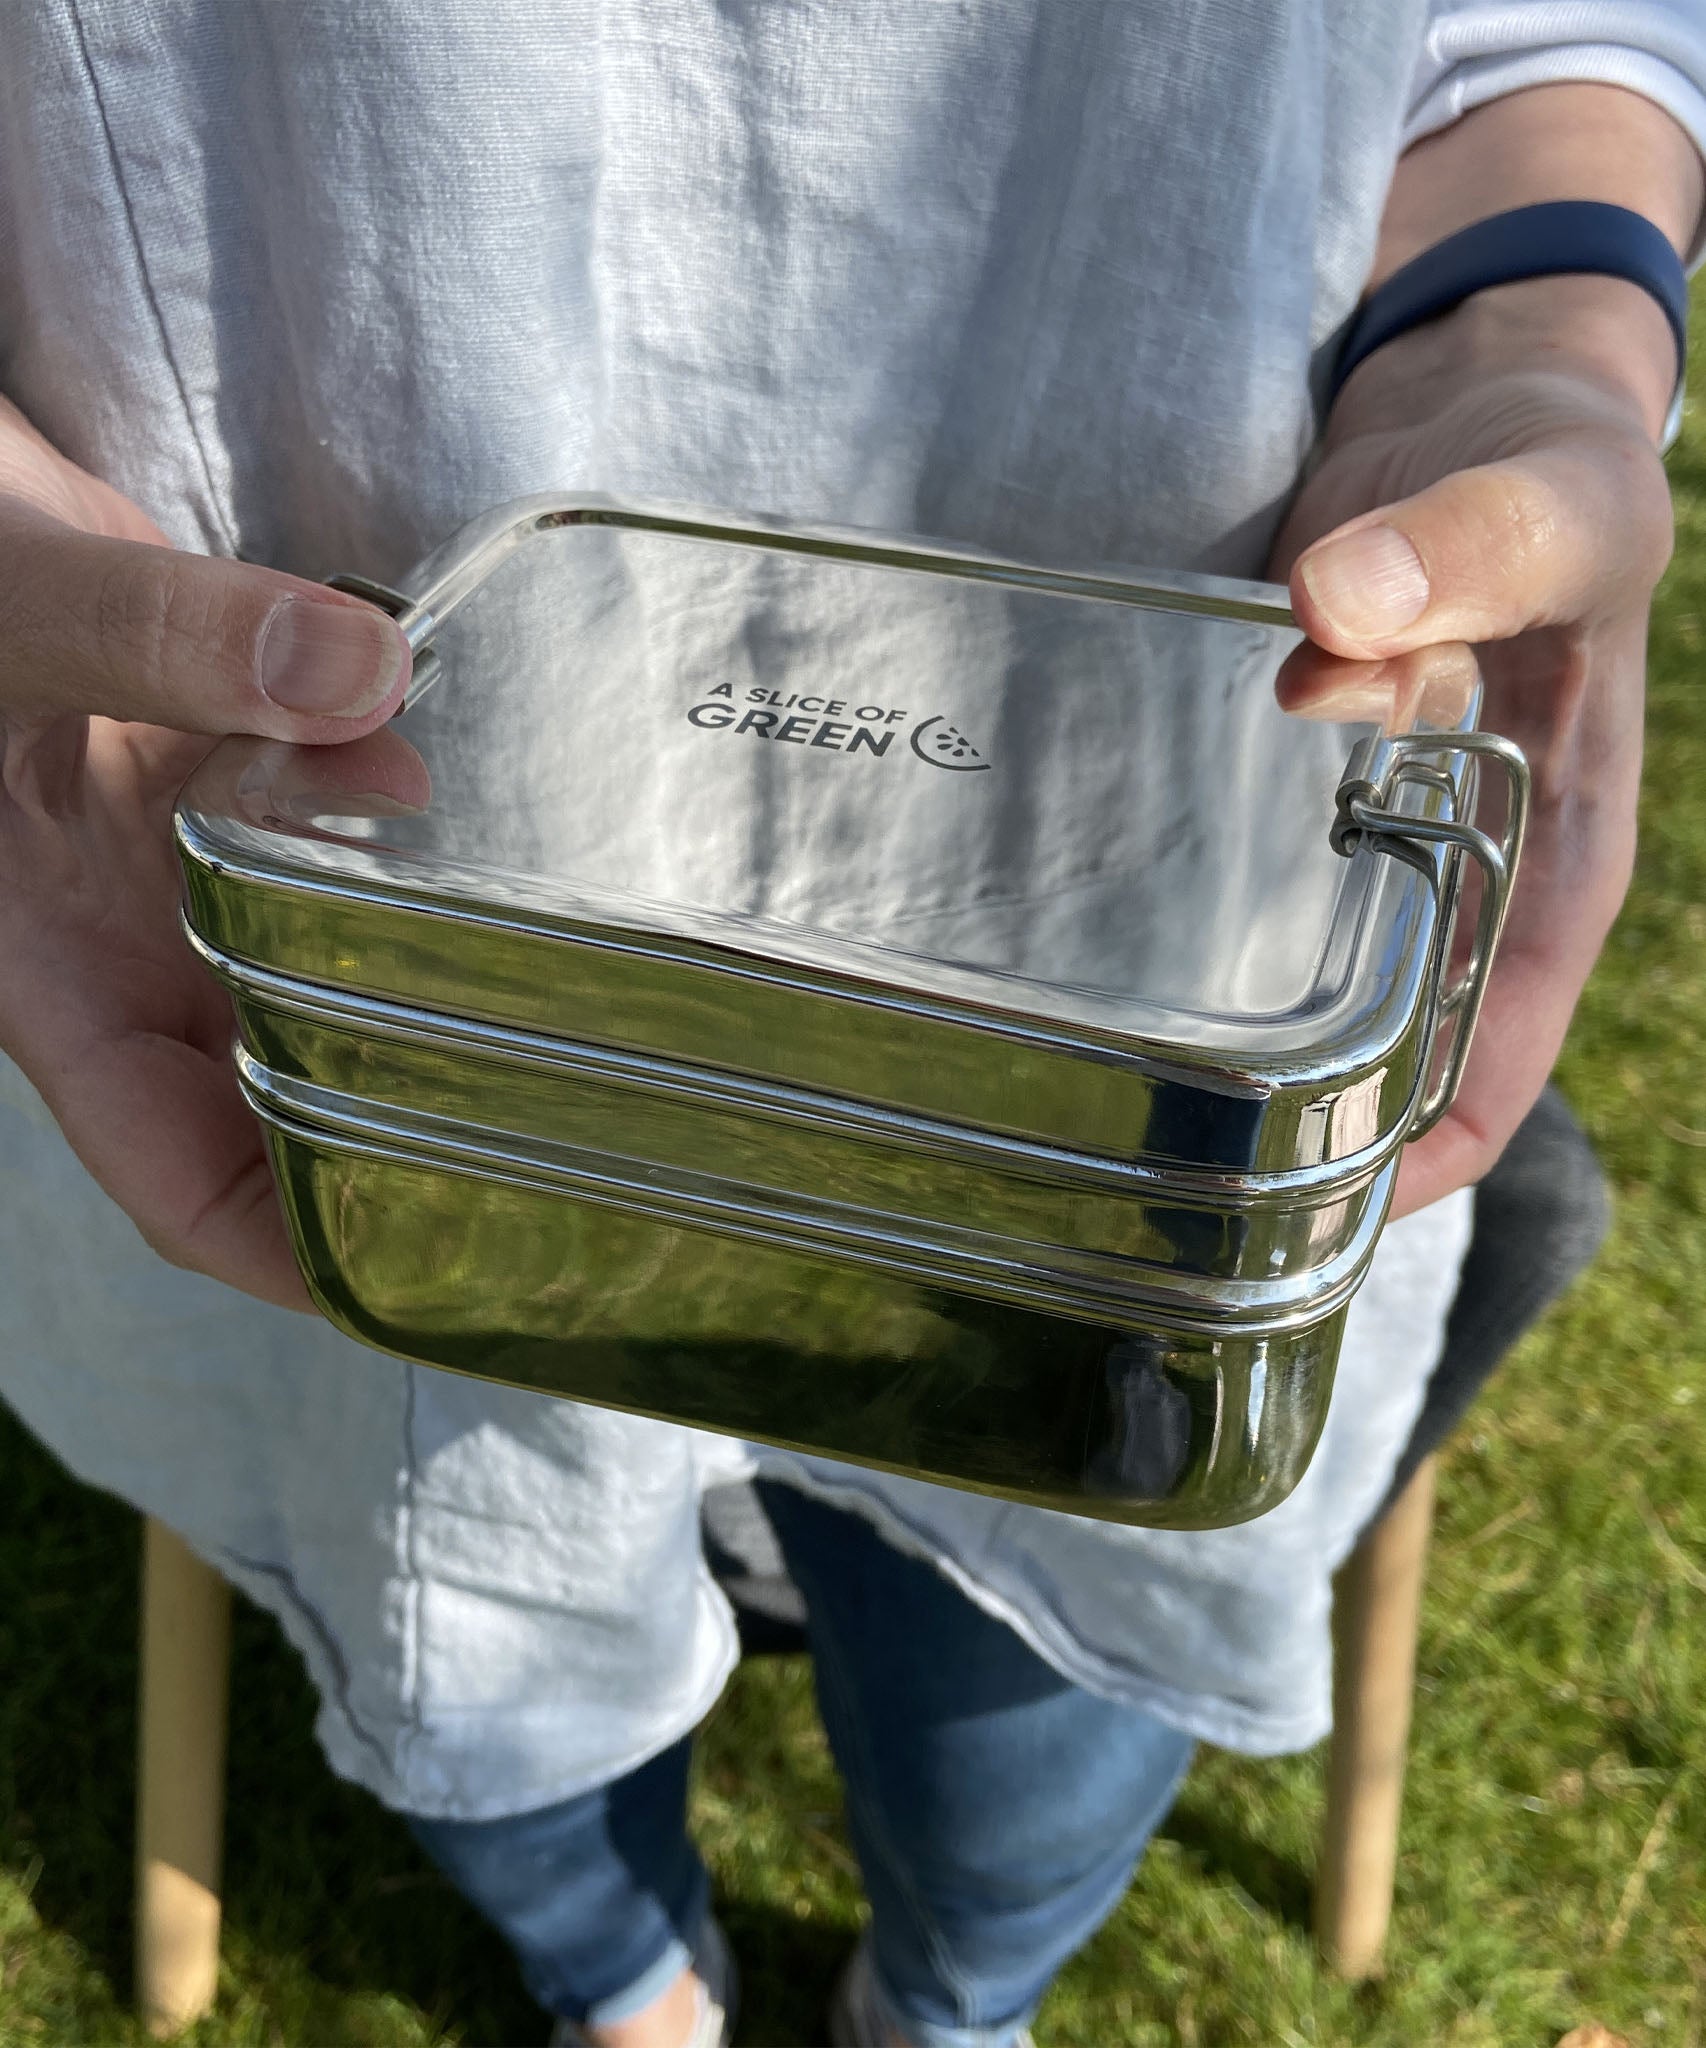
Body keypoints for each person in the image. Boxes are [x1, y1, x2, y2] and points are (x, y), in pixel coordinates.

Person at [1, 7, 1702, 2045]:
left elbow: (1532, 36)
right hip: (311, 866)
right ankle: (619, 1975)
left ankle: (951, 1998)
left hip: (1173, 872)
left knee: (1036, 1699)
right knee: (485, 1596)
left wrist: (1528, 340)